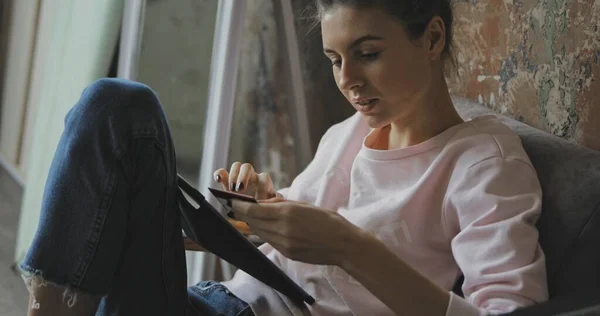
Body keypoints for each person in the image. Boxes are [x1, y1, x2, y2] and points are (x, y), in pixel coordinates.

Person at [19, 0, 549, 315]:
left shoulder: (483, 161)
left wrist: (349, 247)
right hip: (213, 300)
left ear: (433, 37)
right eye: (335, 60)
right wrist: (251, 210)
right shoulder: (349, 133)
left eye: (368, 54)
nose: (348, 81)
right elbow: (290, 223)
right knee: (113, 109)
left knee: (127, 111)